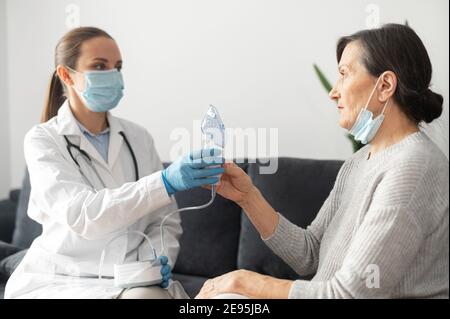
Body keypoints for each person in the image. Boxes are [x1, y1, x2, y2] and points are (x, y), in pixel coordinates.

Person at [196, 24, 449, 299]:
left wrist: (246, 282)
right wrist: (248, 197)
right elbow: (310, 253)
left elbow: (351, 294)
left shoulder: (414, 167)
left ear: (385, 85)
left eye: (344, 74)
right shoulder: (359, 161)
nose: (333, 92)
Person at [5, 27, 224, 299]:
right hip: (62, 278)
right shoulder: (43, 140)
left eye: (117, 67)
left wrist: (153, 259)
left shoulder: (138, 137)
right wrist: (164, 181)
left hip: (128, 276)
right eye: (99, 66)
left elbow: (164, 221)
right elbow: (82, 214)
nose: (113, 75)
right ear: (66, 75)